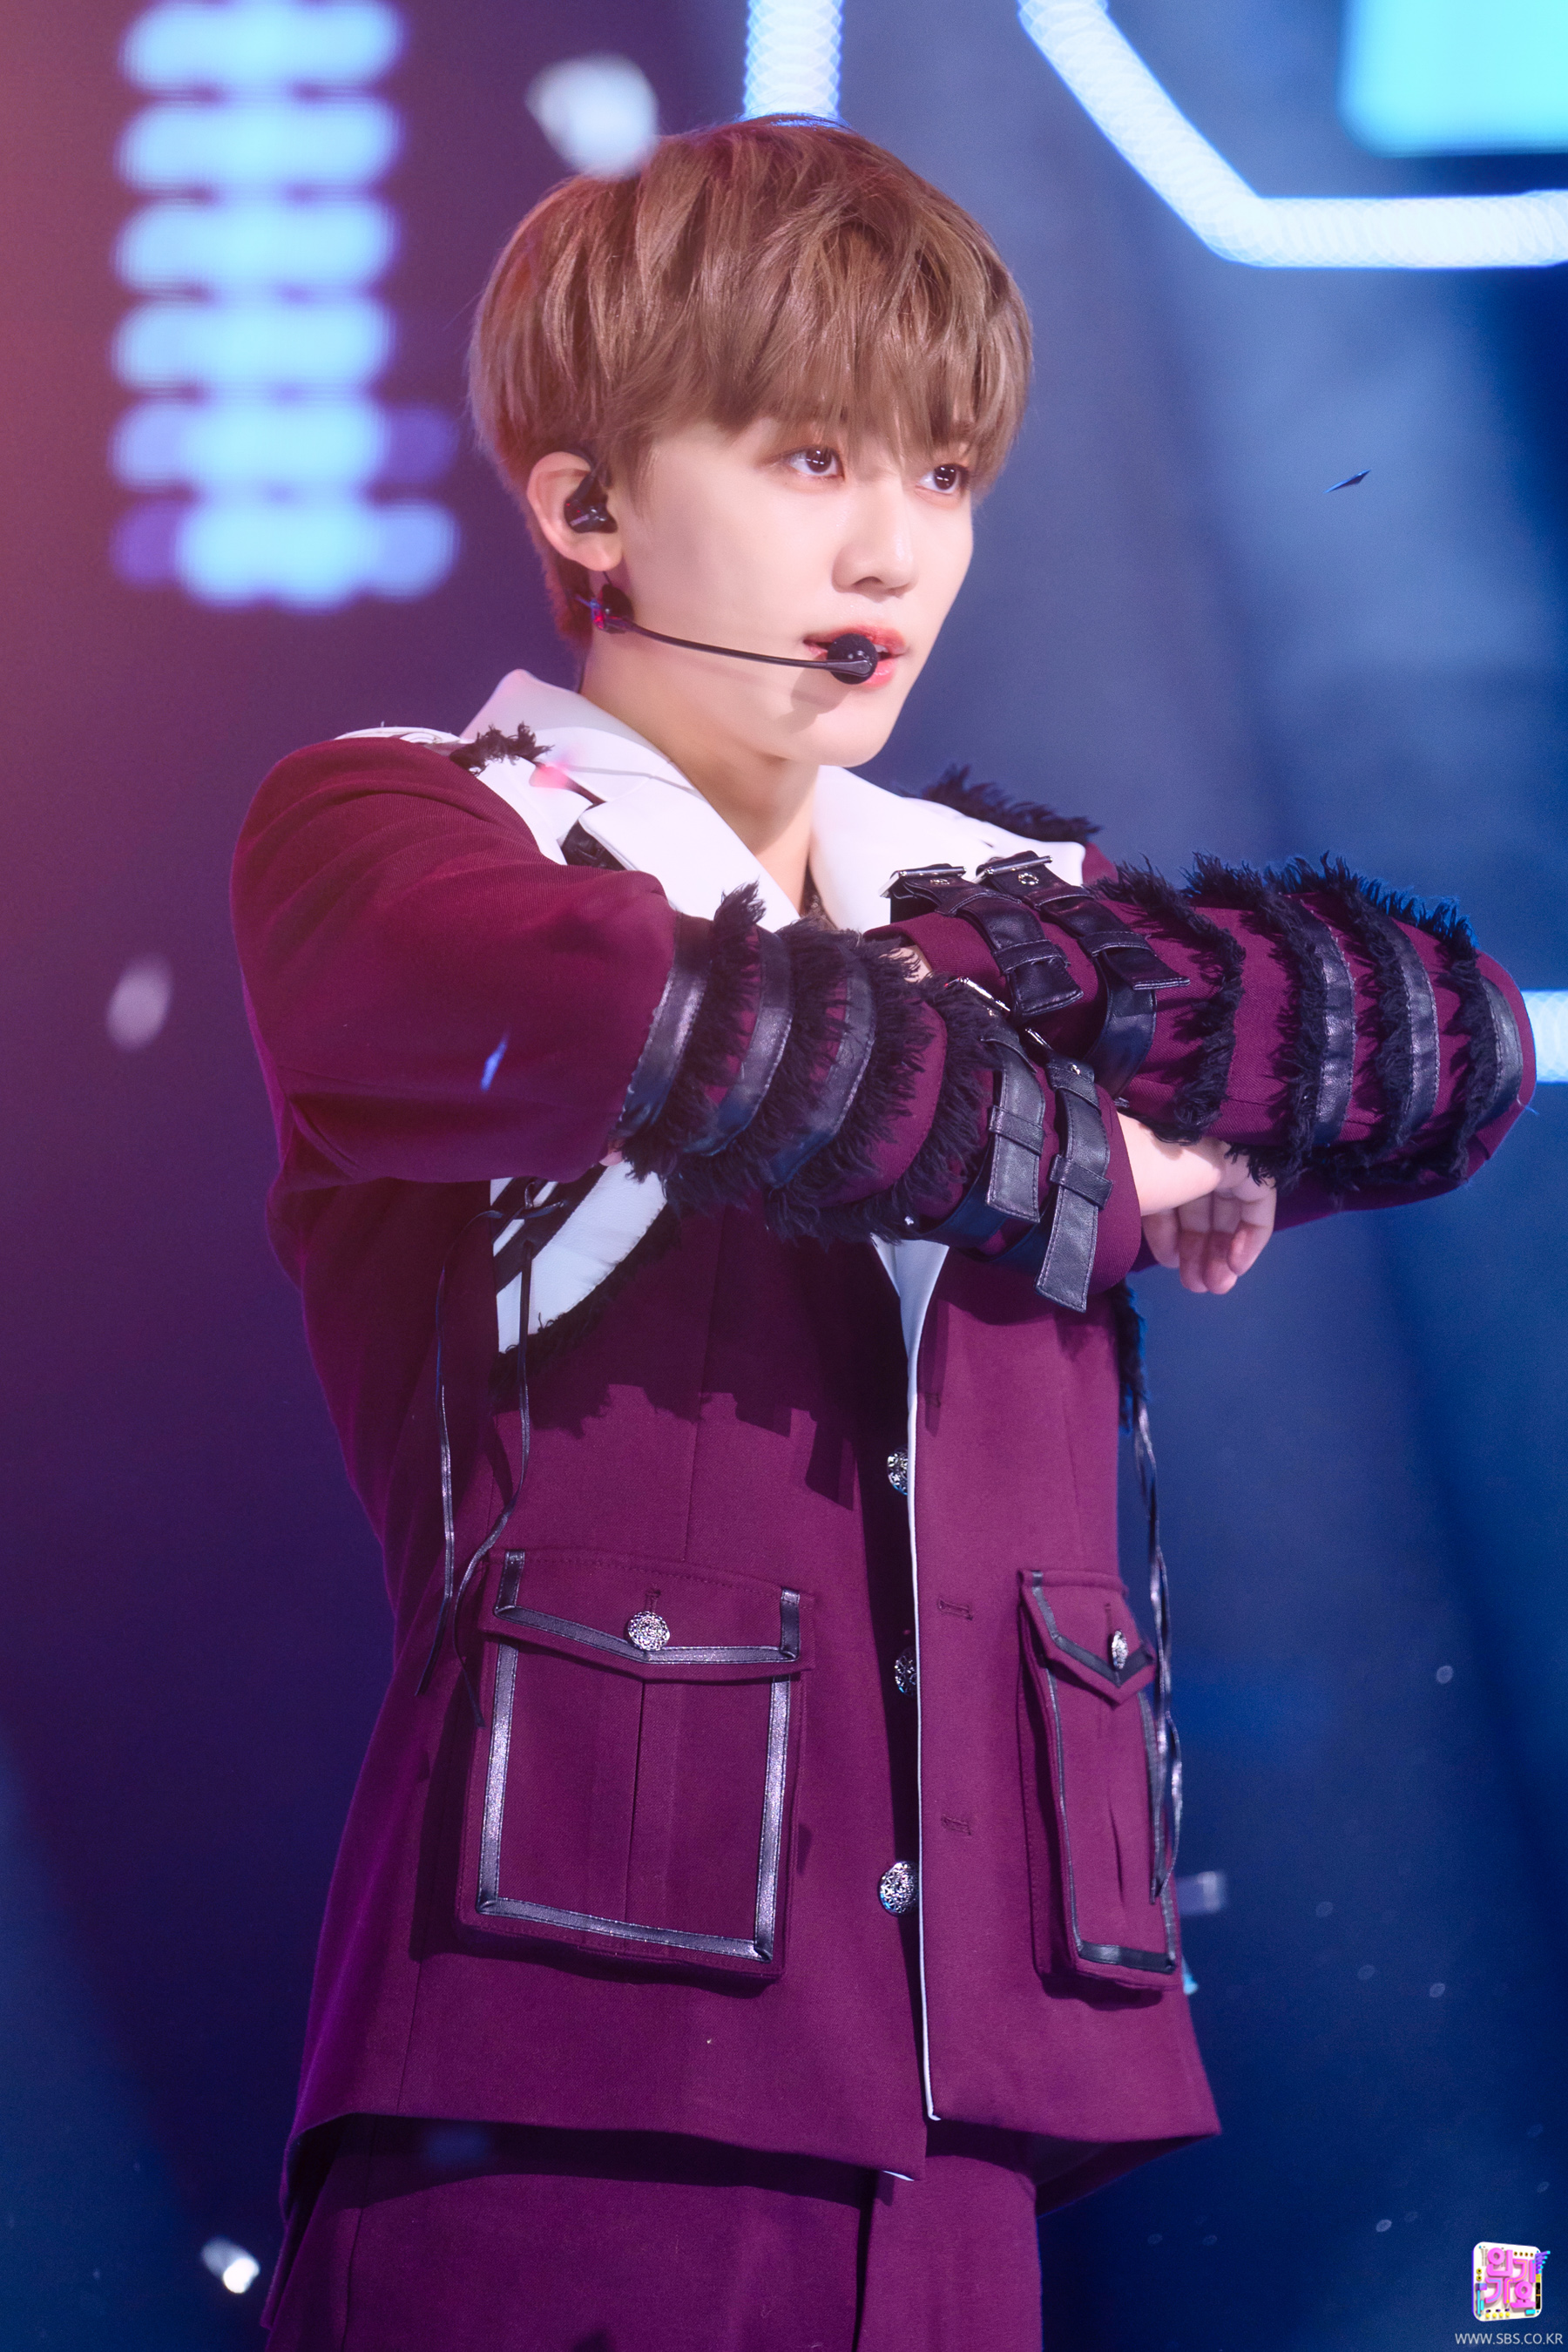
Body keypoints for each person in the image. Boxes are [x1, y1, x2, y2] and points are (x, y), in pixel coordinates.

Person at [233, 117, 1531, 2352]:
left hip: (964, 2141)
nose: (897, 548)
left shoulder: (1003, 903)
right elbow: (634, 1014)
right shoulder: (397, 828)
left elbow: (1450, 1049)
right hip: (558, 2092)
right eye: (814, 457)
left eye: (943, 475)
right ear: (589, 508)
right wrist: (1095, 1153)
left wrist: (1030, 987)